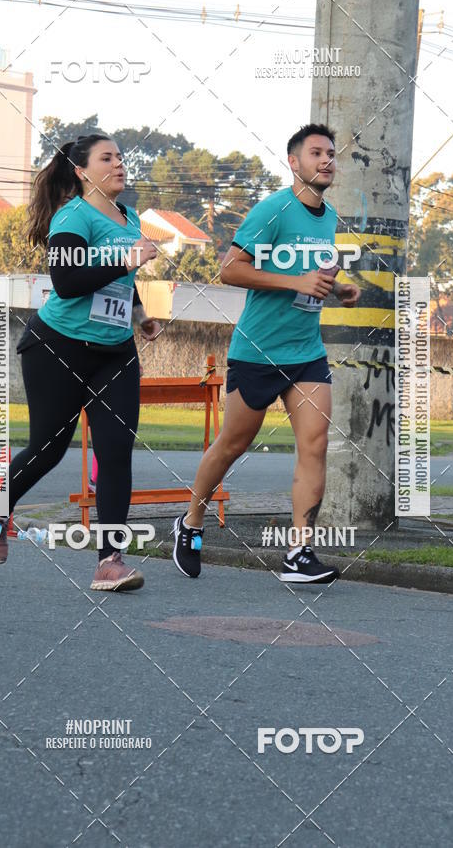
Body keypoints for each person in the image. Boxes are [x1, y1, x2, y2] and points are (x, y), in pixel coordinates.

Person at [173, 123, 361, 584]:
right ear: (294, 162)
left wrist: (335, 288)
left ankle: (299, 552)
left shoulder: (329, 216)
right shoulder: (273, 210)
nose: (326, 160)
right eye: (316, 153)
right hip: (257, 351)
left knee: (314, 444)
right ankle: (191, 522)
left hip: (306, 352)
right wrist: (297, 283)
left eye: (331, 154)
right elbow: (230, 269)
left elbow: (305, 271)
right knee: (233, 444)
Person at [0, 133, 161, 591]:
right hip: (57, 348)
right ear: (82, 172)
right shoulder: (72, 217)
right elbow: (66, 281)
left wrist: (141, 316)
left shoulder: (128, 216)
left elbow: (125, 281)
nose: (120, 164)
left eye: (121, 156)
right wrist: (126, 258)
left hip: (115, 352)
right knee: (48, 450)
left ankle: (110, 561)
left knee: (115, 454)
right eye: (108, 158)